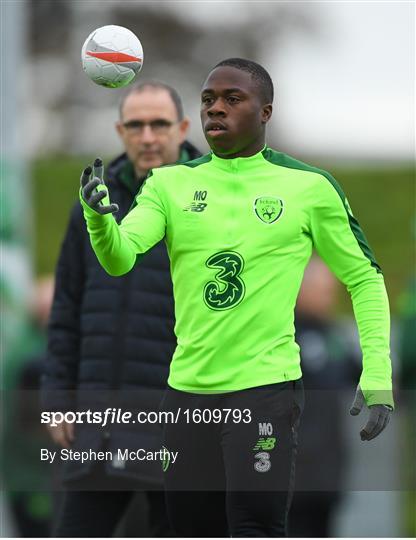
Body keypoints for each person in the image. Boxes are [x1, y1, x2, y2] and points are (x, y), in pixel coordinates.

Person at [79, 58, 394, 537]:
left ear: (265, 111)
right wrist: (99, 218)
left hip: (265, 391)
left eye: (232, 99)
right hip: (187, 394)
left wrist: (377, 372)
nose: (216, 110)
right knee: (190, 530)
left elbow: (365, 278)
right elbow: (120, 257)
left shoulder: (309, 187)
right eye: (208, 100)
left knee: (255, 525)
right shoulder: (168, 183)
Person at [41, 81, 201, 537]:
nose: (147, 136)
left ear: (183, 127)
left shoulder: (212, 200)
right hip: (98, 426)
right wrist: (56, 400)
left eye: (159, 124)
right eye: (135, 125)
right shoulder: (91, 203)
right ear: (120, 130)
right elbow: (66, 308)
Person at [289, 256, 359, 537]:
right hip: (291, 472)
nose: (329, 297)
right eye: (323, 289)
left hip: (328, 470)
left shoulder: (334, 336)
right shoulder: (282, 335)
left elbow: (360, 376)